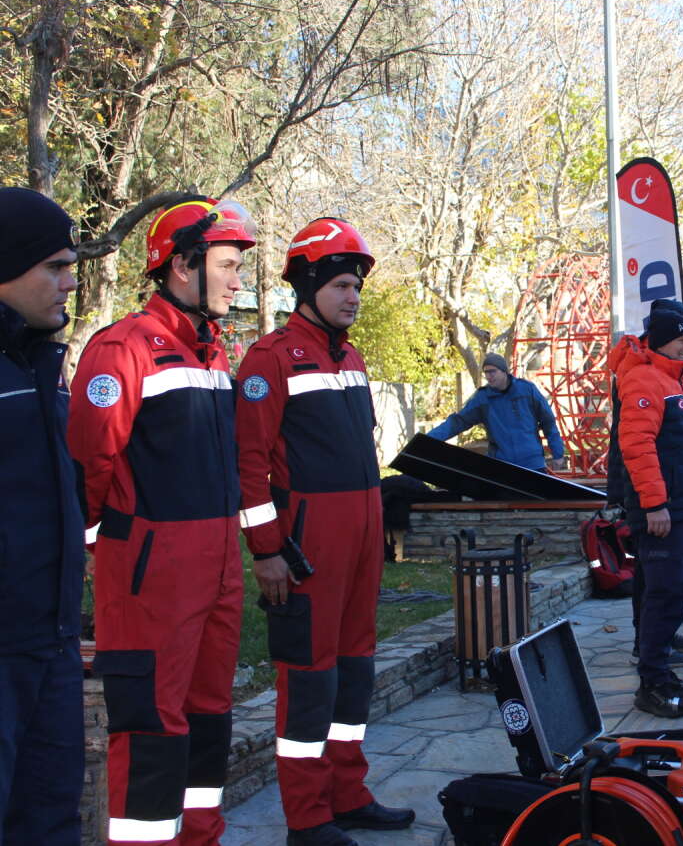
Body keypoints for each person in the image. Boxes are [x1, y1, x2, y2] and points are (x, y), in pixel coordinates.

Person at [69, 197, 256, 844]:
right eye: (228, 265)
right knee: (151, 728)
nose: (238, 280)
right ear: (182, 264)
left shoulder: (211, 353)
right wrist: (107, 552)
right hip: (151, 579)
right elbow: (88, 468)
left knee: (208, 720)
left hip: (218, 573)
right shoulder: (123, 349)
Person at [235, 218, 414, 845]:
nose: (353, 298)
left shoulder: (353, 357)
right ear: (308, 285)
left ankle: (347, 792)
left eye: (357, 287)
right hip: (307, 549)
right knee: (309, 683)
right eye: (341, 285)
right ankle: (306, 818)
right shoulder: (270, 358)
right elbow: (248, 466)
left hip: (361, 543)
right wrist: (267, 551)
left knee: (355, 673)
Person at [0, 188, 84, 845]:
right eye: (54, 266)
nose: (71, 280)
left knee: (51, 819)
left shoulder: (42, 361)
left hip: (51, 643)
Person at [609, 309, 683, 717]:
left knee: (671, 595)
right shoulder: (644, 379)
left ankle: (661, 673)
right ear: (663, 340)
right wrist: (655, 504)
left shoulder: (678, 379)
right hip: (661, 513)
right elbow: (637, 447)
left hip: (681, 509)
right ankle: (651, 685)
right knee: (663, 596)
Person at [428, 353, 566, 472]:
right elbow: (458, 422)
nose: (489, 376)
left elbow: (548, 422)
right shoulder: (482, 399)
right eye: (486, 372)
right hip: (502, 466)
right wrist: (428, 440)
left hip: (533, 464)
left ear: (504, 371)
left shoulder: (527, 390)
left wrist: (558, 453)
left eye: (492, 371)